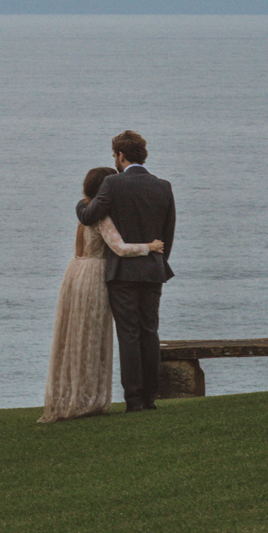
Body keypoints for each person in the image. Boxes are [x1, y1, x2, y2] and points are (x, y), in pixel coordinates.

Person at [38, 166, 165, 423]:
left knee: (74, 335)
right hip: (94, 274)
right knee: (93, 337)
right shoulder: (101, 217)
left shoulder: (84, 210)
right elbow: (119, 247)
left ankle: (71, 394)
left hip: (75, 270)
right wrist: (150, 246)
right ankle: (88, 398)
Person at [76, 130, 175, 412]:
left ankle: (134, 399)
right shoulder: (163, 186)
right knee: (150, 331)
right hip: (153, 269)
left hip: (122, 272)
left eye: (115, 156)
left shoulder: (112, 183)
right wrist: (156, 260)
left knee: (129, 335)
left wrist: (80, 204)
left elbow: (89, 215)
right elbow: (168, 234)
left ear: (120, 155)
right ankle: (151, 397)